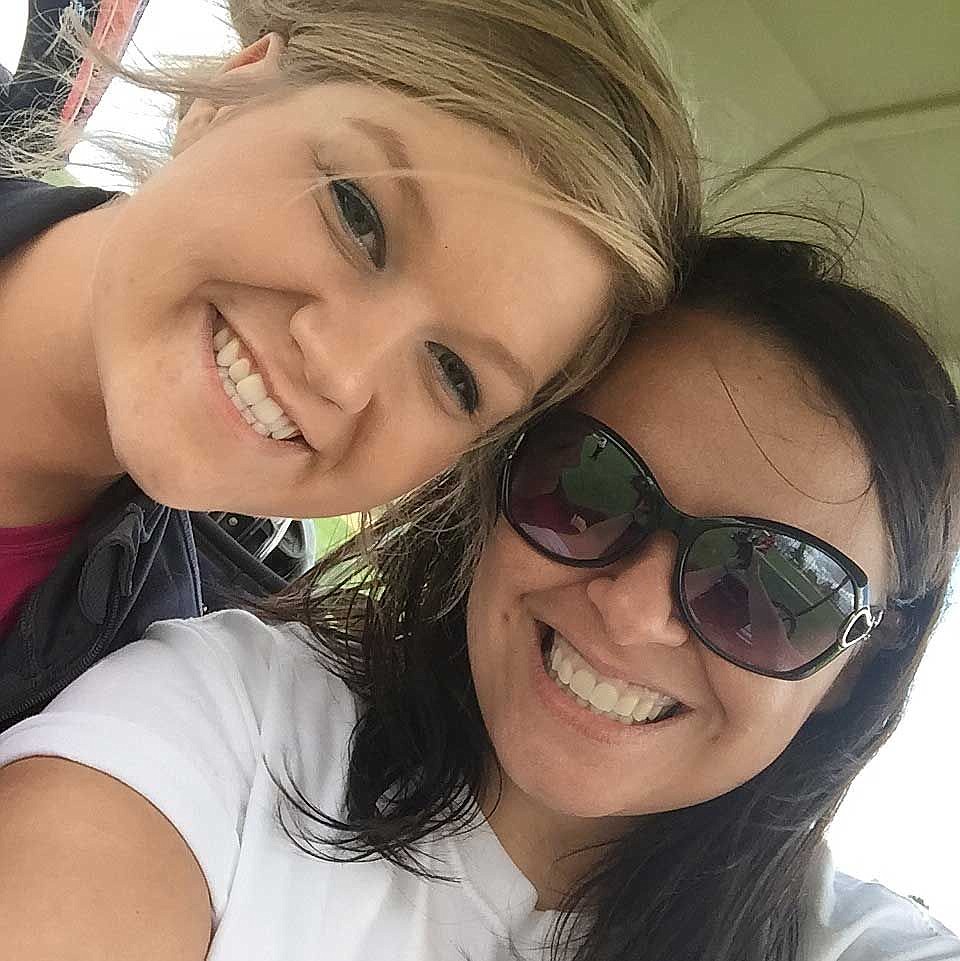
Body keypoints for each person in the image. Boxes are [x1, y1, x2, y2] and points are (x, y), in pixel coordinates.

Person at [0, 232, 956, 960]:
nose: (631, 611)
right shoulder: (228, 723)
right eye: (587, 485)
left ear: (858, 662)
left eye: (766, 585)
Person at [0, 0, 701, 724]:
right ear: (224, 98)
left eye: (454, 375)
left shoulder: (138, 709)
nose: (340, 369)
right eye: (355, 212)